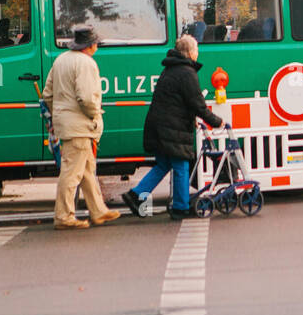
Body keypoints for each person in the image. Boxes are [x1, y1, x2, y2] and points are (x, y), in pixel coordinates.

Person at [122, 34, 224, 220]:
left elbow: (177, 101)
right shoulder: (187, 73)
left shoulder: (170, 69)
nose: (197, 54)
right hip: (172, 127)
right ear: (190, 52)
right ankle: (180, 207)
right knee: (180, 165)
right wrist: (217, 121)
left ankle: (136, 194)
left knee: (164, 164)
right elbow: (197, 103)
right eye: (196, 50)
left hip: (160, 125)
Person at [43, 28, 119, 230]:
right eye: (96, 43)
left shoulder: (60, 60)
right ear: (90, 45)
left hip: (66, 123)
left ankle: (98, 210)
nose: (97, 46)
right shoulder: (86, 64)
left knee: (85, 170)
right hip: (80, 125)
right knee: (72, 172)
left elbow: (47, 93)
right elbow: (86, 98)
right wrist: (94, 114)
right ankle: (63, 216)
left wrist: (59, 113)